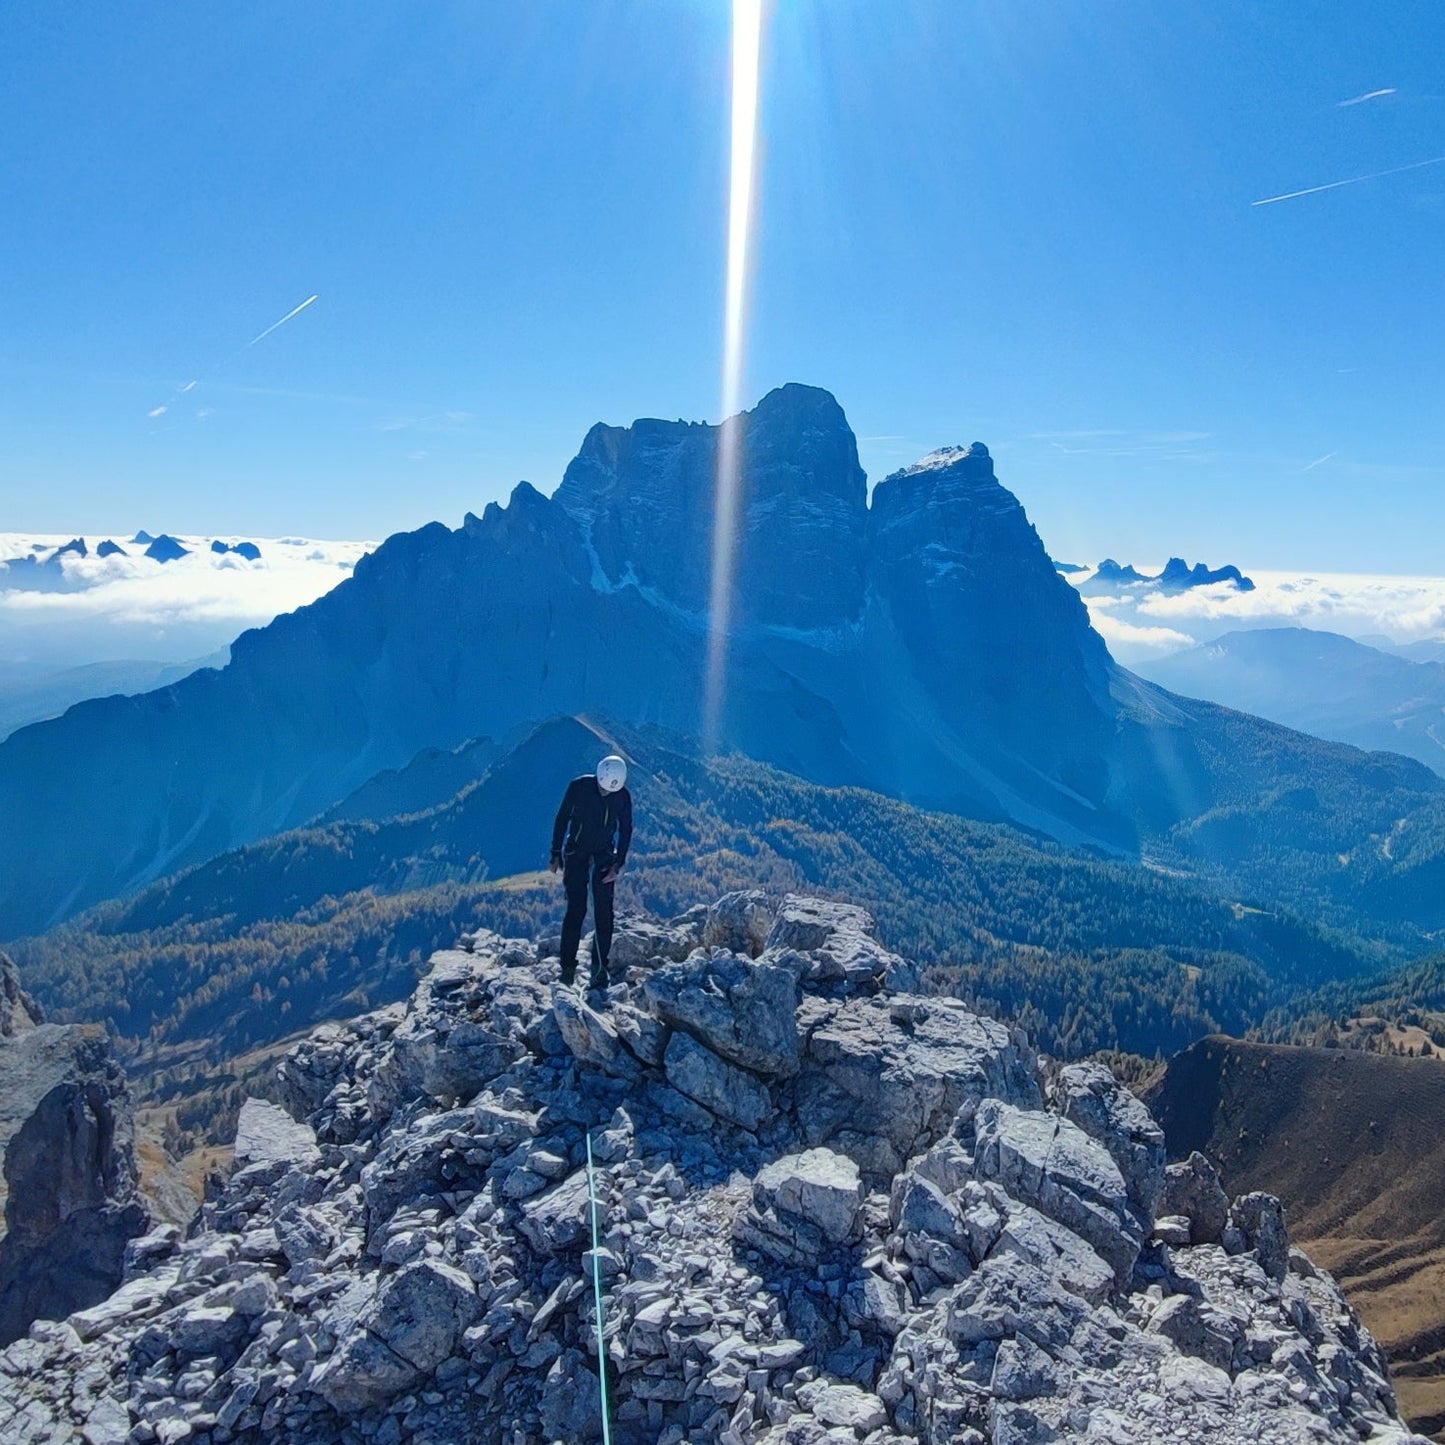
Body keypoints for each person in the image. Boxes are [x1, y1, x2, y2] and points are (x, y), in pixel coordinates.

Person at [550, 754, 633, 991]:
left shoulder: (622, 796)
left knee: (603, 912)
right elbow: (562, 818)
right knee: (576, 909)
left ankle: (599, 968)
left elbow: (626, 829)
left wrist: (618, 864)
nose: (605, 793)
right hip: (576, 852)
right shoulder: (579, 787)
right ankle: (568, 967)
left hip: (604, 856)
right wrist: (555, 851)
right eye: (603, 788)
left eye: (610, 791)